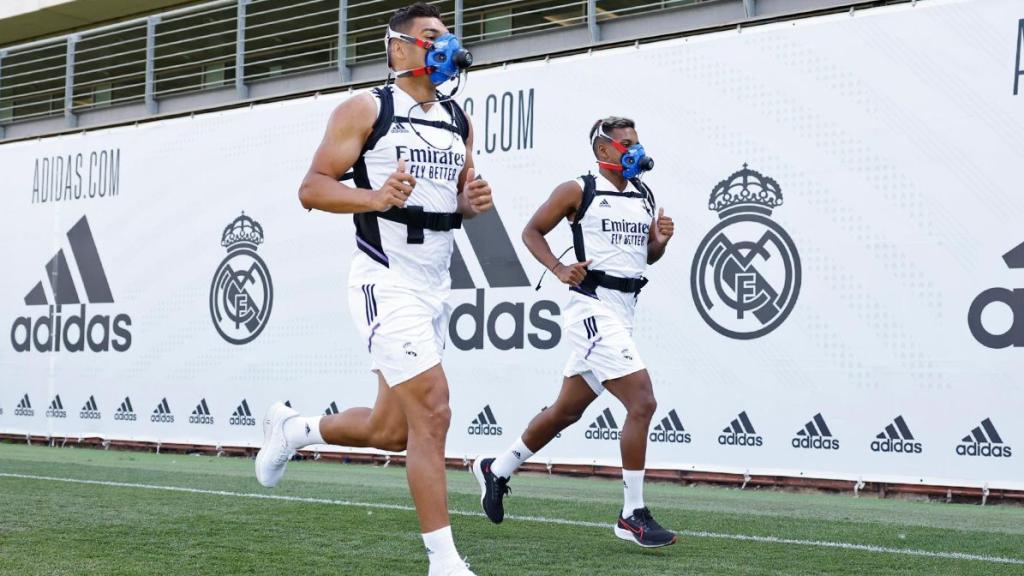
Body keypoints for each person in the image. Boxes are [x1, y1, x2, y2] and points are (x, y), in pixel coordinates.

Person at [255, 4, 490, 575]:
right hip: (384, 280)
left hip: (436, 283)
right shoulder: (366, 108)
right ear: (399, 47)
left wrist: (466, 204)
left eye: (448, 37)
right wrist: (373, 198)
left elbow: (448, 199)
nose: (445, 47)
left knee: (391, 430)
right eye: (431, 37)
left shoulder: (459, 119)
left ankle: (295, 429)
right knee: (433, 411)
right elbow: (311, 188)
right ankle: (444, 562)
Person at [473, 117, 678, 548]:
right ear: (603, 151)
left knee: (566, 411)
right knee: (642, 401)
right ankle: (631, 515)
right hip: (590, 306)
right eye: (625, 144)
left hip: (624, 310)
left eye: (636, 143)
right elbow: (531, 231)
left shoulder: (643, 193)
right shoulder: (578, 189)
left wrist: (658, 241)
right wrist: (559, 269)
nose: (633, 150)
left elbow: (645, 258)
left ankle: (498, 467)